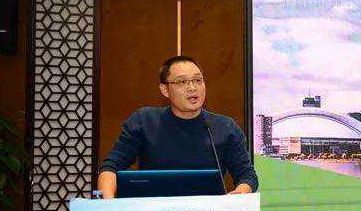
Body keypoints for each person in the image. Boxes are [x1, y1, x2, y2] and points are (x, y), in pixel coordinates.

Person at [97, 56, 258, 198]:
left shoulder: (225, 127)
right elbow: (110, 168)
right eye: (182, 82)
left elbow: (247, 176)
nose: (192, 87)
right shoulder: (144, 121)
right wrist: (108, 205)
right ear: (165, 90)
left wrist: (240, 192)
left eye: (198, 80)